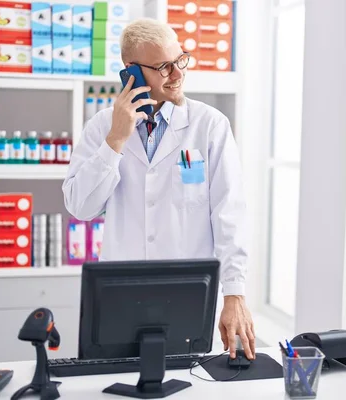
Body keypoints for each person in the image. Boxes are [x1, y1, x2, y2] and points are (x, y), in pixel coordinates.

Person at [62, 18, 256, 360]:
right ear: (131, 72)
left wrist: (235, 294)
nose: (178, 74)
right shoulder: (101, 128)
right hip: (121, 295)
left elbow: (229, 215)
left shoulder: (209, 126)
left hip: (191, 295)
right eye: (164, 67)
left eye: (180, 60)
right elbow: (81, 206)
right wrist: (116, 140)